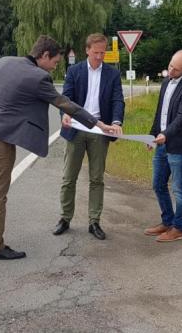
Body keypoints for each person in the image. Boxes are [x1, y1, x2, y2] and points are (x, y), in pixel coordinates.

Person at [0, 35, 115, 260]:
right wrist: (97, 123)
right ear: (44, 55)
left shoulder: (4, 61)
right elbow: (66, 104)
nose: (54, 67)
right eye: (55, 62)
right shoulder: (39, 77)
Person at [54, 33, 125, 240]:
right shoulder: (74, 71)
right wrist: (65, 113)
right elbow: (65, 98)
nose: (100, 57)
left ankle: (94, 221)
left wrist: (116, 122)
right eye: (96, 53)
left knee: (97, 179)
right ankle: (65, 218)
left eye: (103, 53)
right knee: (69, 178)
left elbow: (117, 100)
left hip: (100, 132)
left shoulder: (112, 74)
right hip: (76, 129)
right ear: (87, 50)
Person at [143, 50, 182, 242]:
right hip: (162, 144)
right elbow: (161, 113)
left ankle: (178, 228)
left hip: (179, 146)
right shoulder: (166, 82)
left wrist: (165, 135)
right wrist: (152, 136)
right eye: (170, 65)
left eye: (176, 68)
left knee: (178, 188)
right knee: (158, 184)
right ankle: (167, 221)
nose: (171, 69)